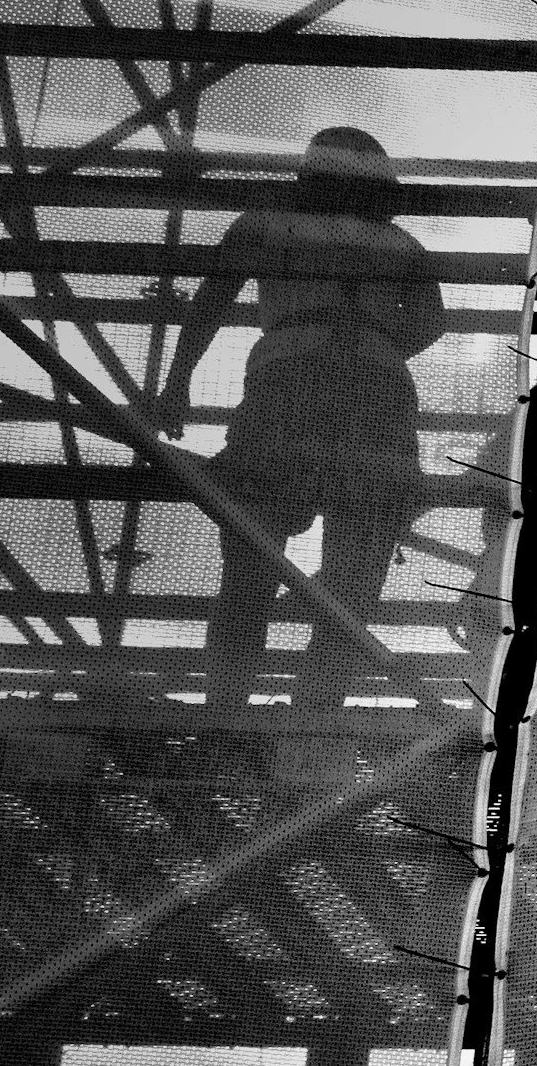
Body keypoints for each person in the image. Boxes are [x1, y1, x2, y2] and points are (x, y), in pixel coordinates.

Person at [153, 127, 447, 712]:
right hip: (377, 393)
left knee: (251, 554)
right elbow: (431, 322)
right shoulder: (401, 243)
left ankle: (227, 710)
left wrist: (177, 381)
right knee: (356, 567)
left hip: (285, 381)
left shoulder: (267, 222)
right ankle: (314, 713)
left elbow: (213, 297)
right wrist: (373, 346)